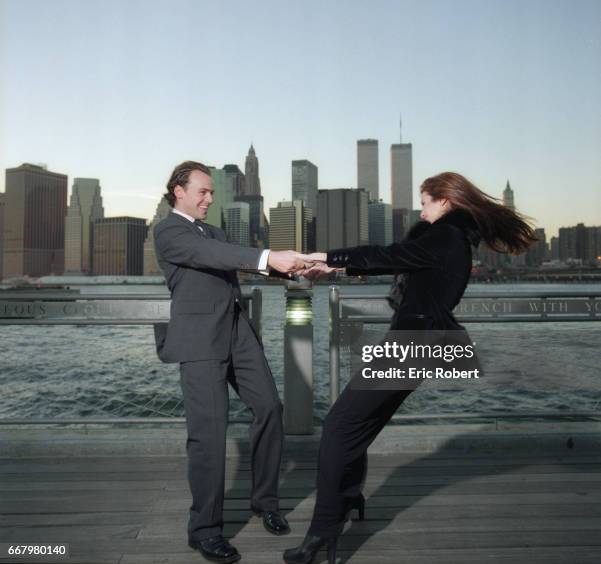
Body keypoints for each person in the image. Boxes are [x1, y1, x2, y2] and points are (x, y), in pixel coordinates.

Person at [283, 171, 537, 564]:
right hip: (421, 345)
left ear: (445, 201)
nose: (422, 209)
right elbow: (394, 259)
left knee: (338, 426)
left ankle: (322, 531)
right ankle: (348, 498)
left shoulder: (446, 237)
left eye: (425, 202)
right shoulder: (447, 239)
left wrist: (325, 257)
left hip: (413, 345)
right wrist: (335, 269)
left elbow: (384, 256)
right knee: (357, 425)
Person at [153, 161, 309, 564]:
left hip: (238, 333)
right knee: (209, 434)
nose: (209, 198)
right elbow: (210, 255)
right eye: (203, 191)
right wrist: (269, 255)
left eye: (211, 193)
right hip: (200, 340)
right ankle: (203, 530)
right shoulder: (169, 230)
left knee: (270, 408)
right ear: (178, 191)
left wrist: (295, 270)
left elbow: (228, 260)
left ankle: (265, 502)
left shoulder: (216, 231)